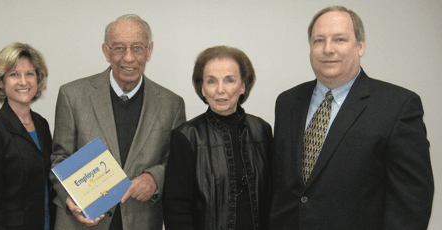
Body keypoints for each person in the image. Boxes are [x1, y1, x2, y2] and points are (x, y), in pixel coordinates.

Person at [269, 5, 434, 230]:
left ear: (360, 46)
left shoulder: (398, 106)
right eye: (319, 40)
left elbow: (412, 200)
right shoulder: (287, 102)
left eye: (339, 40)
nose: (328, 49)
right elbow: (282, 187)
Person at [50, 14, 186, 230]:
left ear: (149, 50)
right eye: (119, 48)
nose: (129, 58)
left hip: (141, 220)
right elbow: (60, 158)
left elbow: (178, 164)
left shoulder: (172, 104)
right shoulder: (72, 95)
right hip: (82, 223)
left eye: (137, 48)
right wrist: (70, 199)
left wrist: (155, 178)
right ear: (106, 51)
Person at [163, 46, 272, 230]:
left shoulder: (262, 130)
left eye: (229, 80)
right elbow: (176, 209)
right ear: (202, 88)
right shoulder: (186, 136)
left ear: (243, 86)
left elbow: (273, 196)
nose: (220, 90)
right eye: (211, 81)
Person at [0, 42, 55, 230]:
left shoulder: (41, 124)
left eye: (30, 74)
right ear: (1, 81)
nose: (23, 82)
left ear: (38, 78)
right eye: (14, 75)